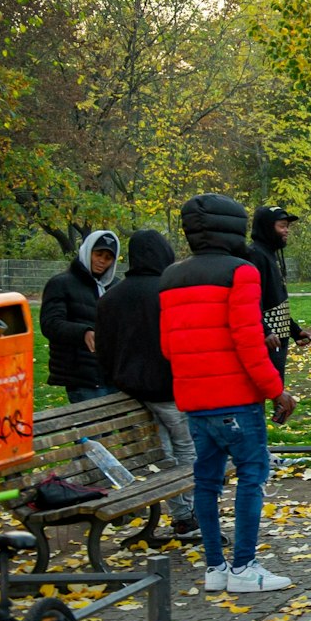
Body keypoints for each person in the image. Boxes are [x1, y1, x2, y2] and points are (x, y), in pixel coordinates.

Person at [160, 195, 298, 594]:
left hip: (194, 401)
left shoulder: (170, 276)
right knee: (252, 475)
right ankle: (244, 566)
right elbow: (249, 342)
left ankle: (215, 567)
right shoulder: (241, 271)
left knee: (206, 482)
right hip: (236, 399)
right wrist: (276, 390)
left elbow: (168, 347)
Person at [95, 229, 197, 538]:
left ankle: (182, 513)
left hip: (131, 390)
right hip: (170, 388)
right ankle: (188, 512)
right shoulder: (169, 293)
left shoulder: (111, 297)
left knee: (163, 454)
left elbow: (104, 348)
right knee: (185, 449)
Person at [41, 230, 120, 403]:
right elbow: (50, 323)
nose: (102, 261)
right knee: (94, 421)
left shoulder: (115, 286)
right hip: (81, 375)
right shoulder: (61, 283)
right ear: (87, 251)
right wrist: (83, 332)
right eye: (98, 254)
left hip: (112, 373)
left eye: (108, 258)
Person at [248, 205, 311, 381]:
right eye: (282, 226)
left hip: (277, 340)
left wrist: (294, 330)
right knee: (266, 389)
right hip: (266, 341)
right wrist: (265, 331)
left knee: (277, 389)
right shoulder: (255, 255)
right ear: (267, 228)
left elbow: (274, 299)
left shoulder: (270, 254)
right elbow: (252, 301)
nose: (286, 230)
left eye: (287, 226)